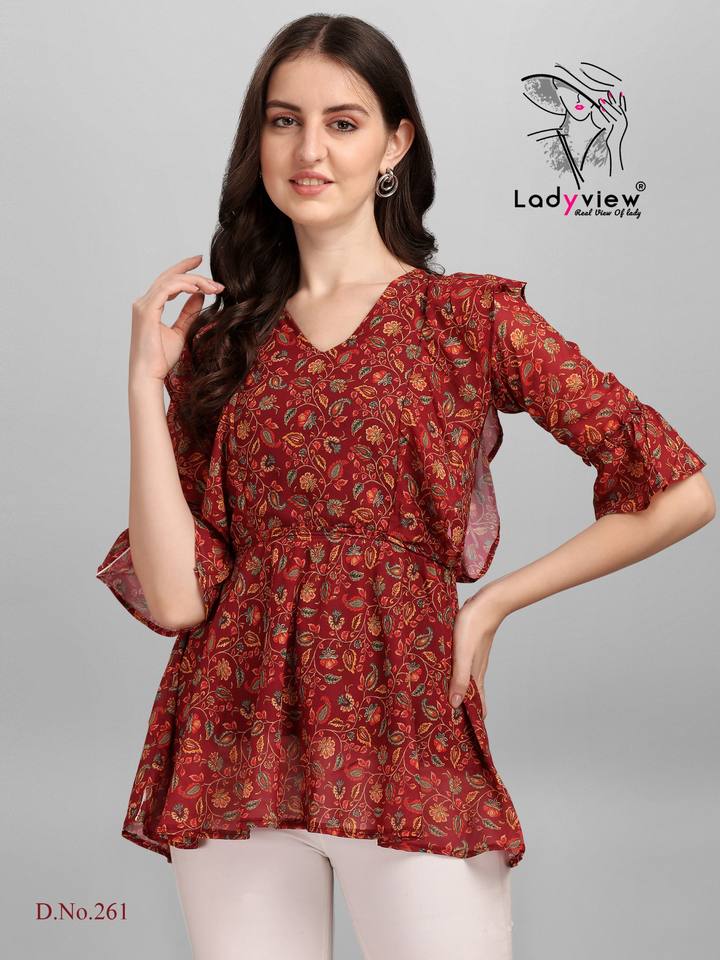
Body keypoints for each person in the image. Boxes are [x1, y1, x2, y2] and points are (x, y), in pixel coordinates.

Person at [95, 14, 714, 960]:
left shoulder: (465, 319)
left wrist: (492, 604)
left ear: (395, 144)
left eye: (342, 123)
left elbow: (679, 489)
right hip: (234, 735)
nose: (309, 150)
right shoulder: (220, 345)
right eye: (283, 121)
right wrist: (144, 385)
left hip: (406, 721)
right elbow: (177, 599)